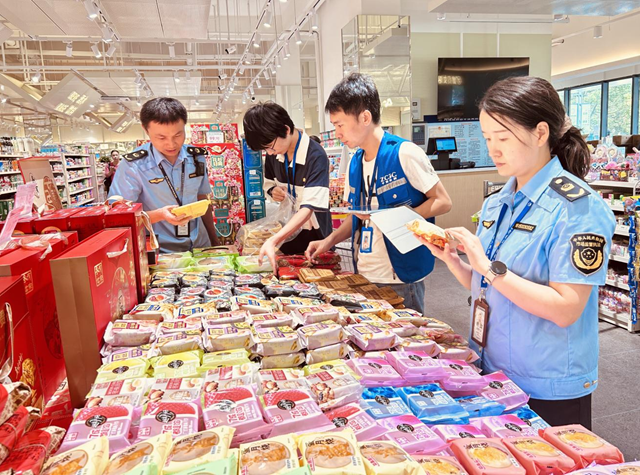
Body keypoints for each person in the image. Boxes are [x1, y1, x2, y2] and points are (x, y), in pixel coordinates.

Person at [414, 76, 616, 429]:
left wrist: (486, 266)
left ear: (540, 133)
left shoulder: (577, 208)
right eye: (487, 138)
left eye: (503, 138)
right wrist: (455, 262)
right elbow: (489, 285)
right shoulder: (497, 203)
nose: (493, 149)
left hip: (547, 383)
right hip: (493, 369)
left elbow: (566, 308)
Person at [306, 73, 452, 313]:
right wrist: (328, 241)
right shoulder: (355, 163)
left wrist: (398, 219)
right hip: (363, 273)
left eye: (340, 125)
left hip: (400, 277)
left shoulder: (404, 153)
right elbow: (356, 216)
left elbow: (443, 201)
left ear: (365, 117)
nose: (338, 133)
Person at [109, 97, 218, 253]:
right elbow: (119, 216)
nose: (171, 144)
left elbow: (202, 199)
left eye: (178, 135)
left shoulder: (196, 157)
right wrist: (159, 215)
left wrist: (214, 240)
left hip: (200, 245)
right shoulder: (133, 165)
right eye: (161, 137)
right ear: (146, 130)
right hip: (160, 252)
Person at [243, 102, 331, 270]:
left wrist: (274, 240)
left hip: (315, 236)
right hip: (286, 233)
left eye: (270, 147)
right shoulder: (275, 153)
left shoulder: (316, 156)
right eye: (265, 150)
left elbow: (308, 208)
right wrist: (273, 191)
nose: (269, 153)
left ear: (285, 129)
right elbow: (268, 184)